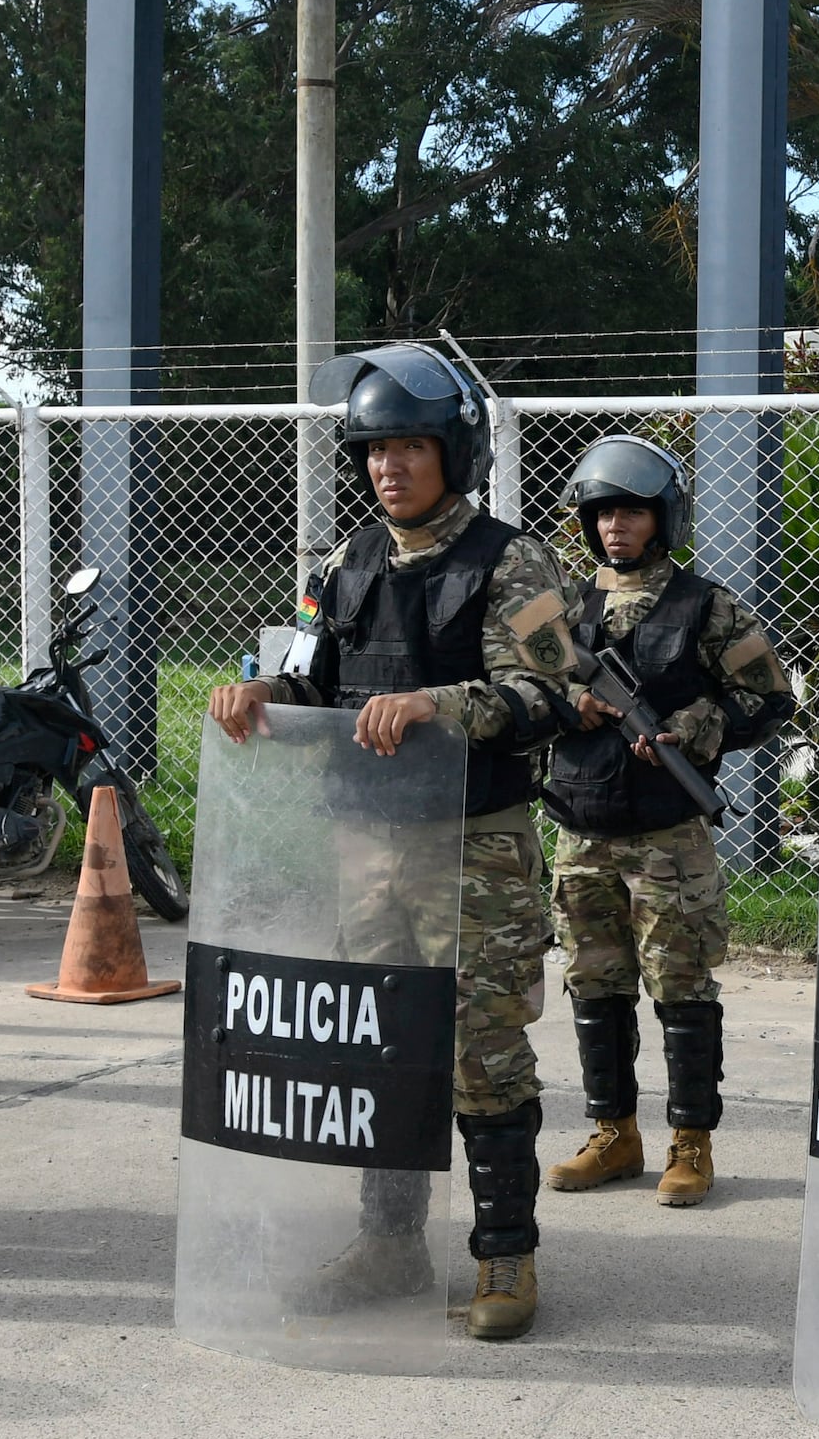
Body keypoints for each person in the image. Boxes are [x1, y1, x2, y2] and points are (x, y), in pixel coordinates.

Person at [204, 344, 585, 1340]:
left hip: (473, 854)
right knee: (380, 1053)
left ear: (452, 452)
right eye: (374, 450)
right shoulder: (337, 568)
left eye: (410, 446)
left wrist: (436, 704)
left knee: (483, 1058)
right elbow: (310, 676)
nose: (389, 467)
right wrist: (259, 695)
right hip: (361, 850)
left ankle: (504, 1254)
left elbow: (552, 692)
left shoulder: (517, 562)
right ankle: (386, 1246)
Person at [536, 435, 793, 1212]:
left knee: (680, 986)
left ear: (664, 516)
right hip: (581, 828)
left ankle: (691, 1140)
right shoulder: (564, 610)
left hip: (668, 835)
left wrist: (700, 723)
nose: (616, 525)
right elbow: (518, 685)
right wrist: (566, 702)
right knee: (593, 982)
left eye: (634, 510)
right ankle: (613, 1131)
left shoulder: (705, 605)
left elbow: (770, 696)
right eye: (603, 510)